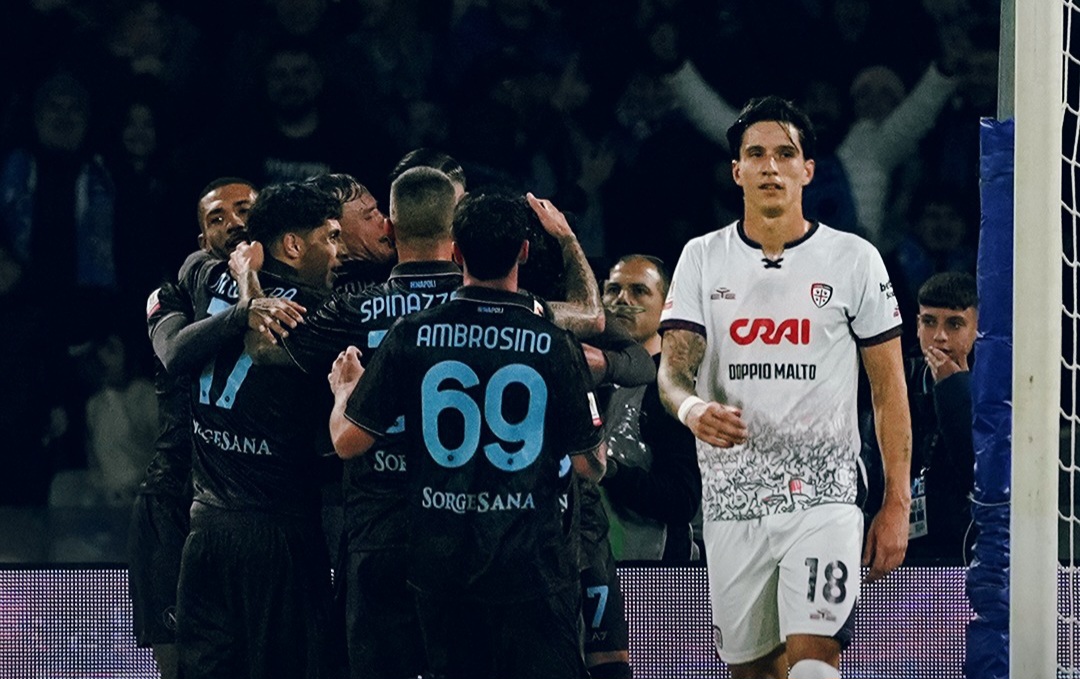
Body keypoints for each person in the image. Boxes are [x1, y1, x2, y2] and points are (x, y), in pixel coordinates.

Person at [657, 96, 911, 679]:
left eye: (784, 154)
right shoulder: (702, 258)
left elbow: (889, 391)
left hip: (824, 499)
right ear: (736, 171)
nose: (770, 166)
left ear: (808, 169)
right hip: (731, 502)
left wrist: (895, 502)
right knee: (754, 672)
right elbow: (671, 373)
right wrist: (692, 409)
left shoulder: (853, 259)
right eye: (756, 154)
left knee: (815, 662)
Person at [328, 191, 606, 679]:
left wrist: (343, 391)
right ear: (523, 251)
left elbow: (347, 442)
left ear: (455, 252)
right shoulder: (554, 343)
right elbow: (590, 465)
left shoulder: (412, 333)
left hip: (442, 573)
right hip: (531, 571)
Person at [234, 165, 461, 679]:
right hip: (466, 531)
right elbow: (592, 321)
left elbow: (262, 350)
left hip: (378, 530)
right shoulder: (493, 305)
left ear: (394, 227)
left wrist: (249, 282)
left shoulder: (356, 308)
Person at [128, 177, 305, 679]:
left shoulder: (294, 299)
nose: (234, 223)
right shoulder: (171, 294)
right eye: (218, 218)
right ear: (203, 239)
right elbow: (173, 351)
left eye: (244, 210)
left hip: (250, 510)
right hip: (173, 499)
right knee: (185, 668)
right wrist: (244, 312)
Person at [173, 181, 342, 679]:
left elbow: (191, 270)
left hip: (205, 530)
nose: (340, 253)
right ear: (292, 245)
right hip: (278, 535)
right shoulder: (316, 313)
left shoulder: (206, 277)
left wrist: (245, 275)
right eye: (331, 239)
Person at [863, 271, 977, 563]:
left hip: (965, 553)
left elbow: (976, 474)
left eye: (954, 324)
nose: (939, 336)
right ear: (916, 326)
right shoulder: (896, 381)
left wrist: (955, 390)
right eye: (929, 322)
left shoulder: (994, 389)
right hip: (900, 549)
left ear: (978, 328)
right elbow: (870, 467)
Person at [599, 254, 701, 562]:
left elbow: (682, 499)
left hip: (653, 572)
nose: (623, 300)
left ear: (667, 305)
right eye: (613, 289)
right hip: (589, 569)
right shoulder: (586, 380)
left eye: (639, 291)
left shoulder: (673, 391)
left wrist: (607, 471)